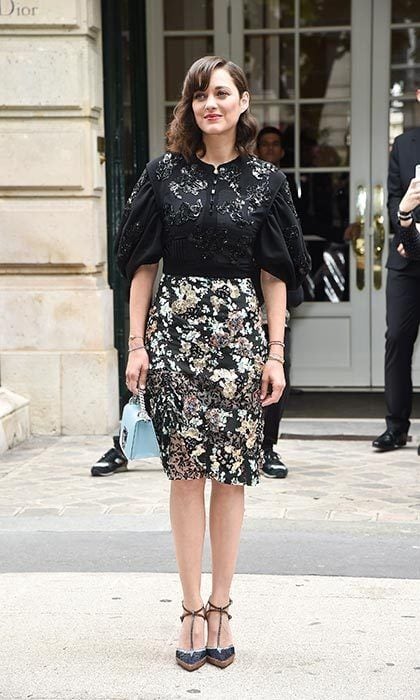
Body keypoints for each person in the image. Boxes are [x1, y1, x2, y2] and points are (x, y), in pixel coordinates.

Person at [115, 55, 309, 671]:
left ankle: (223, 605)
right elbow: (142, 266)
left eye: (221, 93)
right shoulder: (164, 175)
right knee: (184, 476)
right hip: (174, 336)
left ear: (243, 102)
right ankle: (191, 607)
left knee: (231, 476)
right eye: (199, 94)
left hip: (239, 341)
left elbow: (275, 274)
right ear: (189, 107)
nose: (210, 104)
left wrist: (276, 354)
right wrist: (137, 343)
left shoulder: (266, 182)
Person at [255, 126, 304, 478]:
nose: (270, 150)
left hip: (271, 290)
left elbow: (294, 242)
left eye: (276, 145)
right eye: (264, 144)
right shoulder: (245, 182)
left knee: (276, 366)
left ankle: (268, 446)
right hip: (232, 290)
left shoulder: (279, 185)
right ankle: (128, 437)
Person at [373, 125, 420, 451]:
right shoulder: (404, 143)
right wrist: (406, 234)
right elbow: (393, 196)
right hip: (406, 263)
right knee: (398, 339)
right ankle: (397, 427)